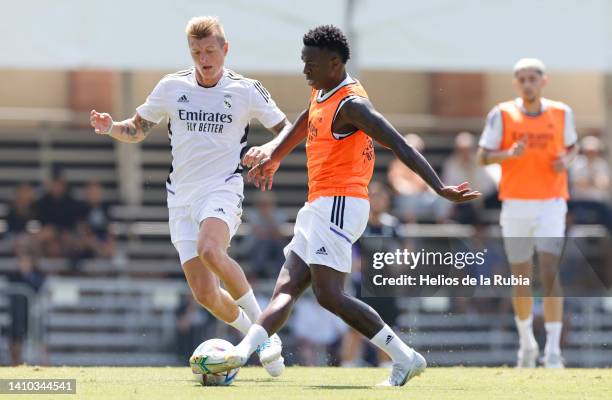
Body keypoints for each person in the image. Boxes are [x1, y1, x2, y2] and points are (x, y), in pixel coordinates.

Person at [200, 25, 480, 386]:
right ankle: (241, 353)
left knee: (329, 295)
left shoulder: (353, 105)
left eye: (310, 63)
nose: (304, 70)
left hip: (341, 203)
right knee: (286, 288)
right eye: (303, 61)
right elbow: (305, 120)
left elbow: (400, 145)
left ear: (334, 63)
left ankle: (405, 356)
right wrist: (274, 152)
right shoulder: (322, 92)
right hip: (319, 203)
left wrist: (440, 187)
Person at [89, 16, 288, 376]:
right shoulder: (171, 86)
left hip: (223, 187)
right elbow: (136, 128)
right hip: (180, 197)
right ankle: (255, 338)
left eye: (210, 50)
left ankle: (264, 327)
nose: (204, 58)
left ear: (225, 49)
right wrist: (110, 128)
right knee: (204, 294)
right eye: (196, 51)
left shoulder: (246, 89)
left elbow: (287, 130)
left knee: (210, 250)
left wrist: (269, 149)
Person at [477, 58, 579, 368]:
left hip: (551, 202)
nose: (527, 83)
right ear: (515, 83)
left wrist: (567, 161)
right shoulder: (502, 114)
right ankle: (526, 344)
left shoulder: (562, 113)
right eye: (521, 78)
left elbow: (573, 147)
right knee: (521, 275)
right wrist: (509, 154)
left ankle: (553, 350)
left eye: (532, 77)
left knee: (549, 271)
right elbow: (483, 156)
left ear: (543, 81)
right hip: (516, 203)